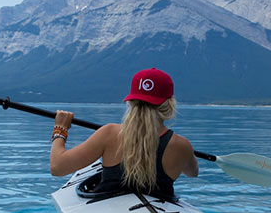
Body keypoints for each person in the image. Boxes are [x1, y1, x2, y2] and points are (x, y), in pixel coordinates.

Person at [49, 68, 198, 200]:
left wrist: (60, 130)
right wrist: (187, 154)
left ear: (131, 101)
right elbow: (193, 173)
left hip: (107, 210)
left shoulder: (109, 134)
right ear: (169, 104)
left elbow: (57, 167)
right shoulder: (181, 146)